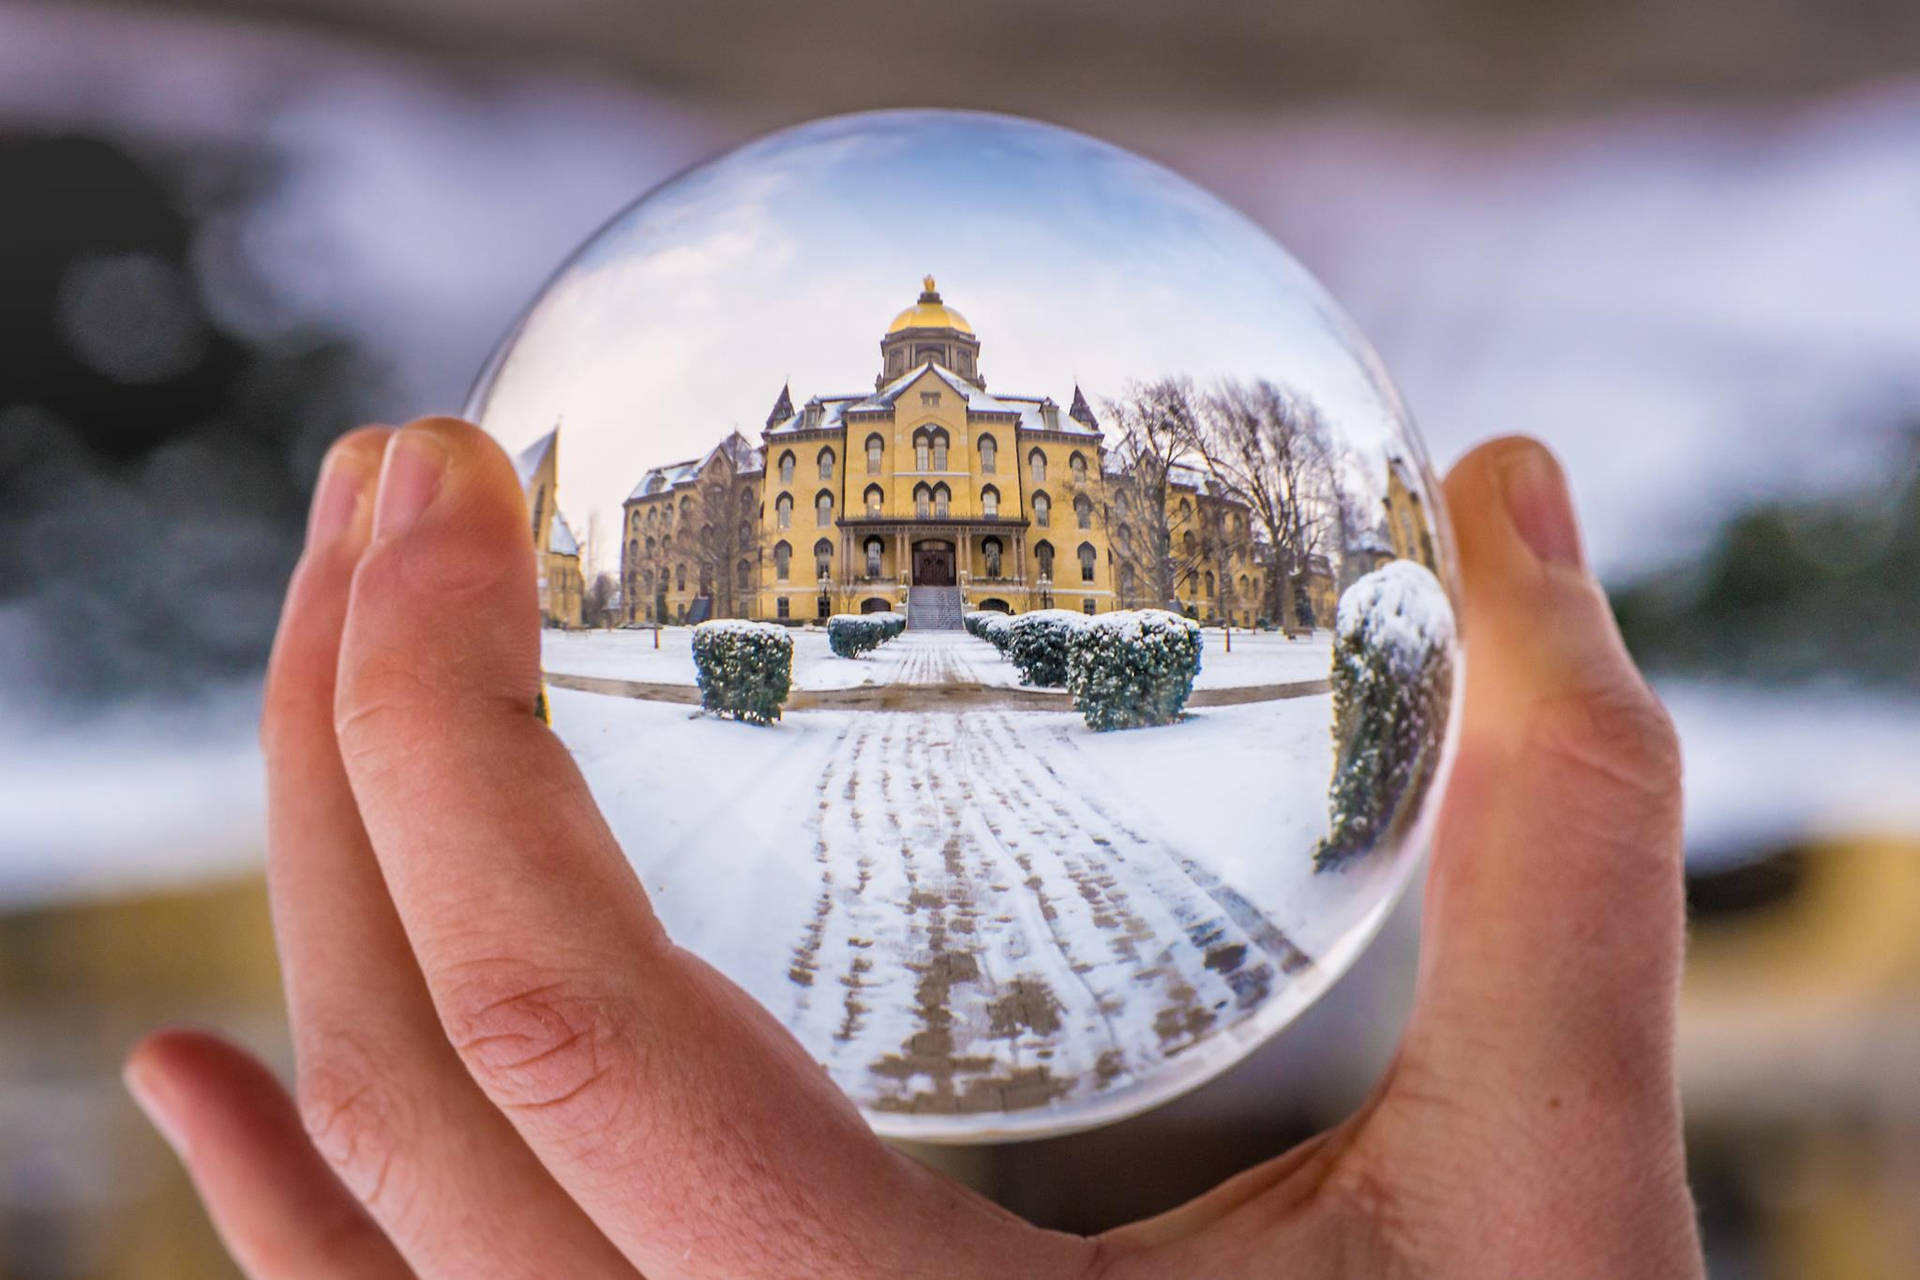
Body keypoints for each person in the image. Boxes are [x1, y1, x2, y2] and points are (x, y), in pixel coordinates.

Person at [124, 419, 1705, 1279]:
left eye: (949, 412)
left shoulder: (1047, 464)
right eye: (910, 408)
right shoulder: (805, 466)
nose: (932, 470)